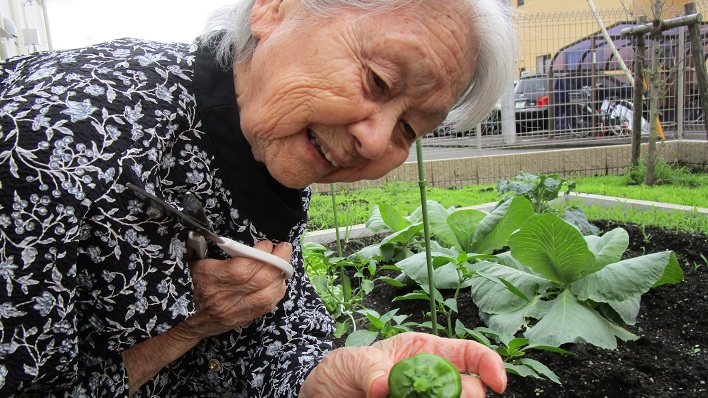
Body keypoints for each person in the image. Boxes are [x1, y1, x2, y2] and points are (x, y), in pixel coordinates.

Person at [0, 0, 516, 396]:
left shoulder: (273, 144)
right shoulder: (46, 139)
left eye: (409, 128)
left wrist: (319, 376)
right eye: (377, 79)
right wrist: (188, 330)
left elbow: (273, 317)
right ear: (273, 8)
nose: (377, 141)